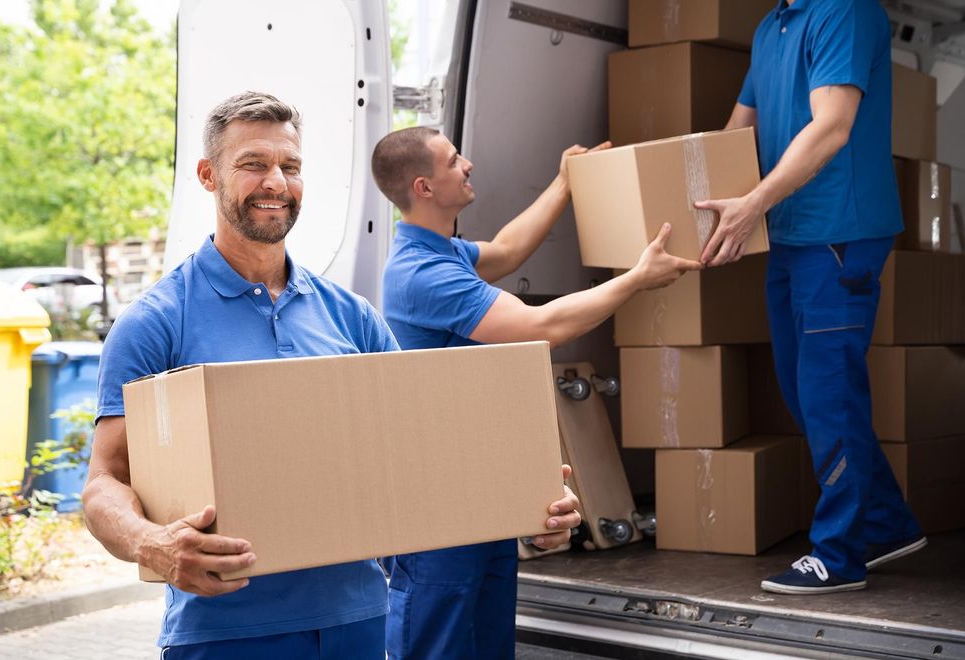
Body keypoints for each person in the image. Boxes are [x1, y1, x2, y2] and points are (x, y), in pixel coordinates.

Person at [82, 91, 581, 659]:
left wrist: (526, 499)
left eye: (289, 167)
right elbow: (104, 482)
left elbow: (422, 449)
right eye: (253, 164)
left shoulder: (352, 317)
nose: (276, 182)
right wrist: (152, 544)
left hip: (358, 622)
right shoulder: (157, 322)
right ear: (206, 175)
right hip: (227, 633)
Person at [371, 127, 701, 658]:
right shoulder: (422, 274)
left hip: (480, 487)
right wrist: (636, 278)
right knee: (439, 642)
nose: (468, 164)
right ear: (424, 187)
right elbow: (540, 325)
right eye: (454, 161)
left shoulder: (443, 252)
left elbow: (505, 249)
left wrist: (563, 183)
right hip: (437, 501)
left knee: (489, 641)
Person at [694, 0, 925, 595]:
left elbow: (832, 126)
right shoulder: (771, 26)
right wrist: (685, 200)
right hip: (789, 231)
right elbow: (738, 129)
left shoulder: (843, 11)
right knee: (803, 392)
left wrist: (751, 205)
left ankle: (840, 554)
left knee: (827, 393)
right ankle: (886, 524)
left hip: (838, 232)